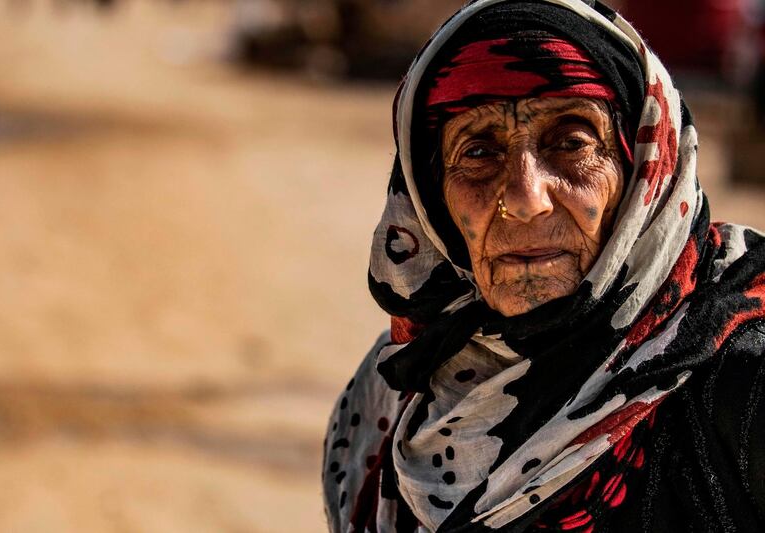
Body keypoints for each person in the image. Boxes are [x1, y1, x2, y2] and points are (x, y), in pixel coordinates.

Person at [322, 1, 765, 531]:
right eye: (480, 152)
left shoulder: (743, 377)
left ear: (644, 168)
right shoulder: (393, 394)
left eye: (572, 142)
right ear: (429, 196)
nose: (527, 198)